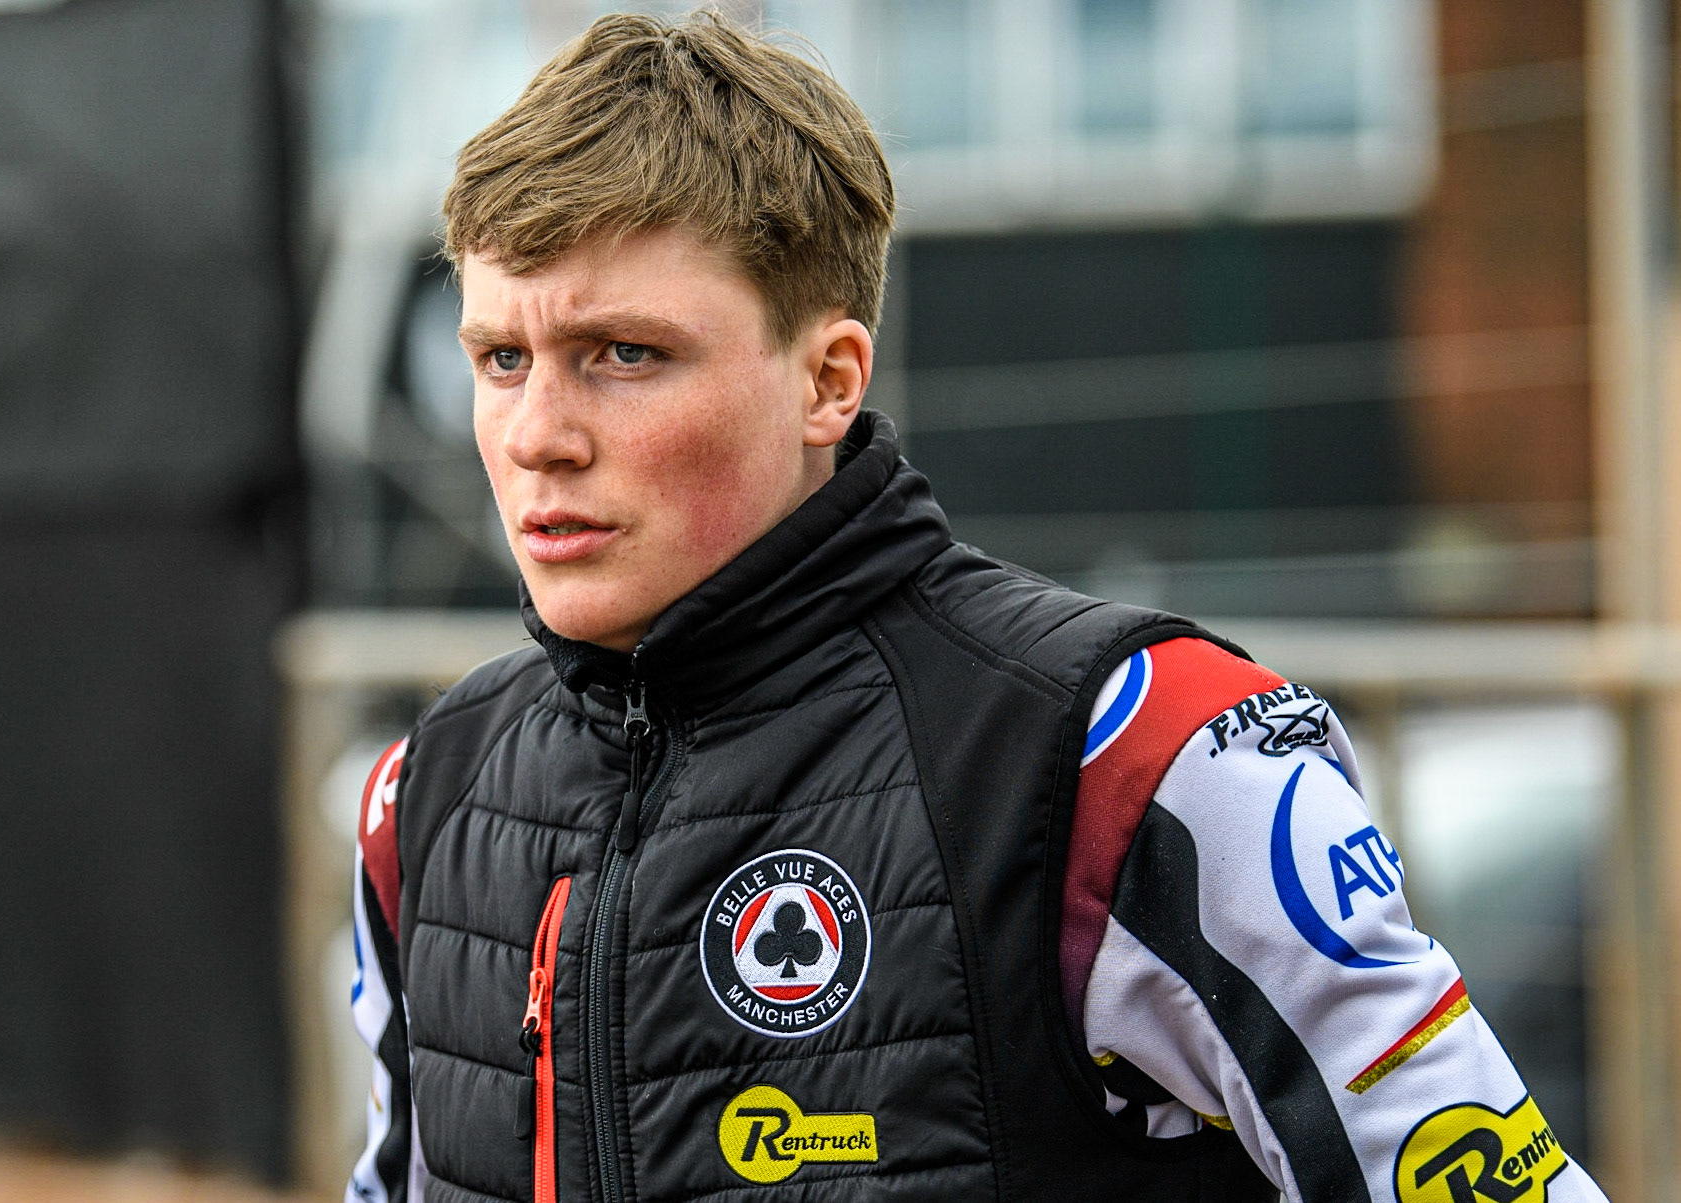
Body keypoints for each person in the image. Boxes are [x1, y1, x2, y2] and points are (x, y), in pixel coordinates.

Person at [347, 11, 1610, 1203]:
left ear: (828, 381)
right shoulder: (429, 793)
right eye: (500, 358)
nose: (538, 437)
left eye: (625, 355)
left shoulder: (1136, 758)